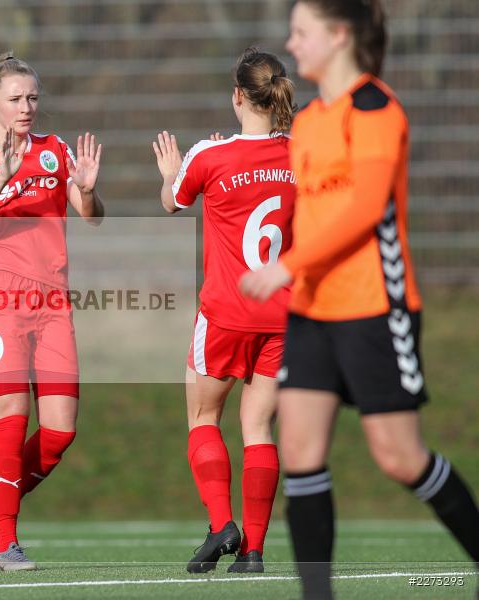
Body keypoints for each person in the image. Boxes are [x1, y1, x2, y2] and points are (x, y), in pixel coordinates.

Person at [239, 2, 479, 598]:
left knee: (399, 457)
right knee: (298, 449)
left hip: (377, 307)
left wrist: (287, 265)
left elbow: (366, 207)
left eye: (302, 32)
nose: (291, 46)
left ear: (339, 35)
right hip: (312, 311)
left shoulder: (376, 109)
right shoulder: (314, 121)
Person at [0, 52, 104, 571]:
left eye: (33, 97)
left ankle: (1, 497)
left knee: (60, 431)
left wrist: (86, 190)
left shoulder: (55, 150)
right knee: (11, 422)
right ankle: (7, 544)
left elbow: (93, 219)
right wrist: (3, 178)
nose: (26, 107)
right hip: (0, 298)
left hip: (53, 300)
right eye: (15, 98)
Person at [153, 47, 297, 574]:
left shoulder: (209, 156)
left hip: (225, 314)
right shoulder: (301, 156)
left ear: (237, 95)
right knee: (258, 428)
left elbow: (172, 202)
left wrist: (170, 171)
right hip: (282, 318)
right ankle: (254, 552)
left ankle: (222, 526)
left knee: (202, 415)